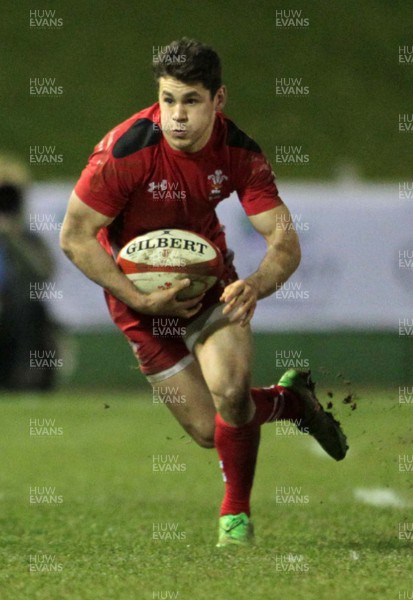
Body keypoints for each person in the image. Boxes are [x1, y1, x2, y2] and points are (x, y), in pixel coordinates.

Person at [60, 38, 348, 546]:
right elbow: (75, 236)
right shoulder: (125, 151)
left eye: (191, 101)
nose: (176, 116)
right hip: (138, 302)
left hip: (211, 287)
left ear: (219, 100)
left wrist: (255, 284)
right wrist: (139, 297)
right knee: (208, 432)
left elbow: (285, 242)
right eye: (168, 99)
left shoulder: (238, 152)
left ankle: (234, 517)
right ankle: (293, 403)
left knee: (232, 395)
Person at [0, 154, 57, 391]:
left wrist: (12, 237)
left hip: (17, 307)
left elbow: (43, 272)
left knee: (30, 308)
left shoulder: (26, 236)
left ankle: (26, 382)